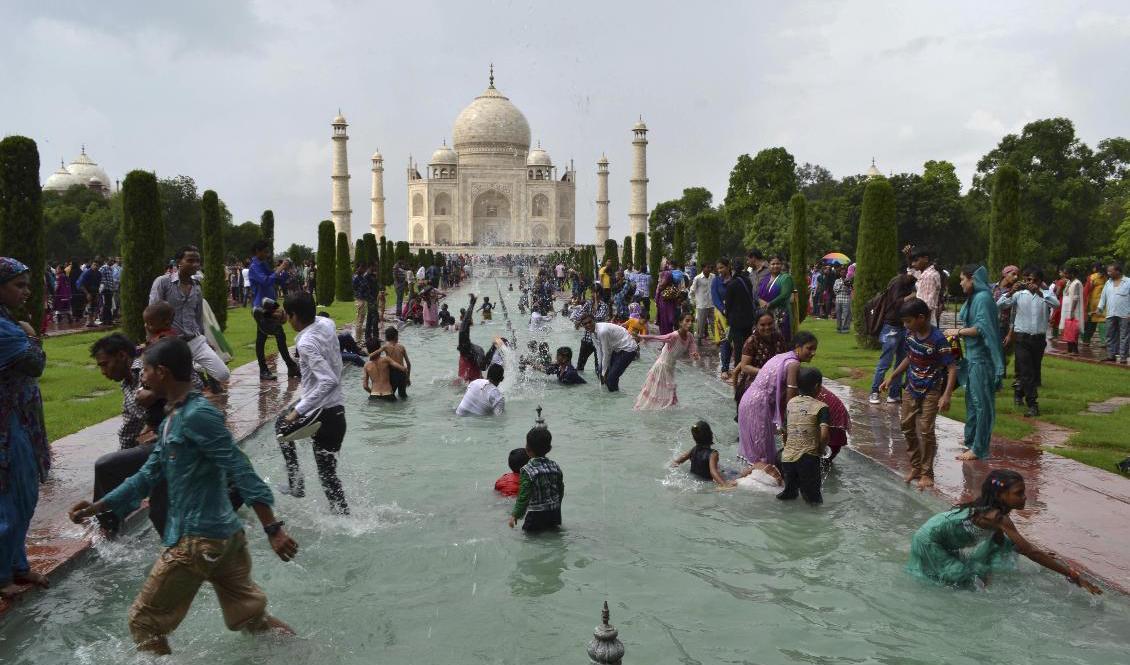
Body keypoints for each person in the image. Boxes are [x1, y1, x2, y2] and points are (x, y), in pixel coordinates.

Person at [68, 338, 299, 654]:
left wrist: (273, 528)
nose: (142, 376)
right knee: (251, 618)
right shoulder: (173, 419)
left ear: (162, 372)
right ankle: (306, 653)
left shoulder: (197, 416)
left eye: (146, 370)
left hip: (197, 543)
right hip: (225, 540)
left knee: (143, 622)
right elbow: (146, 476)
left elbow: (240, 467)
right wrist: (98, 507)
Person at [906, 470, 1101, 594]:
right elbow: (1030, 552)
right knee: (963, 580)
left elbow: (1008, 542)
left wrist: (1025, 549)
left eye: (1023, 492)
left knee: (1000, 548)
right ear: (1000, 495)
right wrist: (1071, 574)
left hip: (939, 536)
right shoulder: (996, 517)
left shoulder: (994, 512)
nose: (1024, 497)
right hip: (928, 540)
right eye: (1018, 493)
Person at [0, 259, 50, 597]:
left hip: (19, 417)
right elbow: (35, 363)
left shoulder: (7, 321)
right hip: (6, 424)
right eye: (19, 285)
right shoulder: (4, 329)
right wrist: (31, 335)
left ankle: (16, 564)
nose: (26, 291)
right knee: (10, 494)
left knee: (24, 491)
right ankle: (2, 575)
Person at [88, 333, 168, 536]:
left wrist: (157, 394)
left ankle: (108, 527)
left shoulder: (149, 368)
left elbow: (190, 384)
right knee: (112, 466)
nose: (103, 372)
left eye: (105, 364)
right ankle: (112, 520)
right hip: (158, 445)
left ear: (122, 356)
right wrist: (123, 460)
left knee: (105, 466)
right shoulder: (127, 384)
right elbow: (129, 428)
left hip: (174, 442)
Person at [278, 293, 349, 515]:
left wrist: (297, 411)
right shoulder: (327, 324)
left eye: (288, 315)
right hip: (337, 413)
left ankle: (296, 482)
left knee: (281, 427)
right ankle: (344, 517)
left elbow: (328, 381)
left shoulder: (306, 343)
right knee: (328, 476)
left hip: (322, 413)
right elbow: (317, 318)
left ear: (294, 316)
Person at [879, 298, 957, 488]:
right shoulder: (910, 334)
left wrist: (946, 395)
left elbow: (952, 368)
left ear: (921, 318)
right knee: (906, 425)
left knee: (926, 430)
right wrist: (892, 376)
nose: (906, 325)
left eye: (908, 321)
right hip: (911, 387)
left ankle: (927, 472)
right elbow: (909, 357)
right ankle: (915, 466)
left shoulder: (938, 339)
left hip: (931, 389)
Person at [945, 265, 1005, 461]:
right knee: (972, 402)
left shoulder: (983, 298)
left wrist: (958, 332)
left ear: (973, 279)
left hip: (981, 360)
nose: (961, 283)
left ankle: (979, 448)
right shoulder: (975, 297)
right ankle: (972, 441)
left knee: (981, 404)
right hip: (972, 359)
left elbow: (982, 328)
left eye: (963, 279)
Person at [149, 246, 231, 384]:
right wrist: (153, 341)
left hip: (195, 340)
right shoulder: (163, 282)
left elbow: (198, 316)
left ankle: (194, 365)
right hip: (171, 343)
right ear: (178, 262)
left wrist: (205, 339)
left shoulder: (197, 287)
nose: (195, 264)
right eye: (190, 260)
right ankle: (191, 367)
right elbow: (152, 313)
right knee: (179, 383)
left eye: (198, 261)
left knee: (223, 374)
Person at [738, 331, 819, 465]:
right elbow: (791, 397)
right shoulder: (793, 364)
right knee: (762, 455)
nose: (813, 353)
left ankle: (752, 475)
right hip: (758, 405)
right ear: (798, 347)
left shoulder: (782, 356)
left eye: (814, 349)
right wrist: (792, 421)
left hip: (748, 399)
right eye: (809, 348)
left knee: (755, 451)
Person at [995, 267, 1058, 417]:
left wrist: (1040, 293)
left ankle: (1019, 390)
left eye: (1034, 280)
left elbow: (1056, 305)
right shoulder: (1019, 294)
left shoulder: (1046, 294)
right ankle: (1033, 404)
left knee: (1033, 372)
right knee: (1026, 371)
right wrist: (1010, 292)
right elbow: (999, 305)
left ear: (1040, 281)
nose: (1030, 283)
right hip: (1022, 338)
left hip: (1038, 339)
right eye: (1028, 280)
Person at [777, 367, 828, 505]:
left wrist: (787, 447)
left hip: (787, 458)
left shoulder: (791, 403)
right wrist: (820, 450)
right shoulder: (821, 407)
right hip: (808, 458)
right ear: (817, 386)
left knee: (790, 495)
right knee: (813, 500)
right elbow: (824, 435)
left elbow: (785, 431)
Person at [867, 274, 917, 404]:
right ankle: (874, 391)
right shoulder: (898, 284)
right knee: (885, 361)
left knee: (901, 362)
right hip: (892, 326)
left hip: (903, 326)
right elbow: (896, 303)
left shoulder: (909, 284)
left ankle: (894, 393)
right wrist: (912, 296)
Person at [633, 313, 700, 410]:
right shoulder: (674, 336)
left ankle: (666, 413)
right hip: (661, 368)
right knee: (659, 394)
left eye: (691, 321)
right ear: (680, 322)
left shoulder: (690, 336)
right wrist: (640, 336)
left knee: (668, 395)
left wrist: (695, 354)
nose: (690, 323)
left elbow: (692, 348)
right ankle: (646, 411)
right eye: (687, 320)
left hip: (670, 368)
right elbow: (657, 338)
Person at [507, 418, 563, 532]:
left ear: (527, 449)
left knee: (529, 538)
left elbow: (524, 495)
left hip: (536, 516)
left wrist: (515, 515)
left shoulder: (527, 470)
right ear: (550, 448)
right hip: (555, 513)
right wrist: (557, 505)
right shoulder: (555, 466)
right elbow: (560, 489)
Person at [733, 312, 789, 413]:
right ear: (756, 325)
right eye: (762, 325)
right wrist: (766, 372)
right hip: (754, 385)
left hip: (776, 381)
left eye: (770, 324)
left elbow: (785, 359)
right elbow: (745, 367)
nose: (767, 327)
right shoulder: (751, 341)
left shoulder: (779, 337)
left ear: (774, 323)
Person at [577, 313, 639, 392]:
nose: (588, 325)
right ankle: (610, 393)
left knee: (610, 379)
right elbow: (599, 351)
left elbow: (606, 353)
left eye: (590, 322)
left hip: (628, 348)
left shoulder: (602, 331)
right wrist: (601, 369)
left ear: (594, 320)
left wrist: (603, 372)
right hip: (616, 348)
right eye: (585, 324)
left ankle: (615, 396)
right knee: (605, 375)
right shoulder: (591, 332)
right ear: (582, 325)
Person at [717, 258, 755, 382]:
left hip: (736, 321)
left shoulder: (732, 284)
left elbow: (728, 305)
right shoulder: (747, 281)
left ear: (732, 268)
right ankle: (746, 371)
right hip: (748, 319)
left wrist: (727, 315)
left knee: (738, 348)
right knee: (748, 346)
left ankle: (738, 374)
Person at [252, 298, 300, 381]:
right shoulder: (261, 312)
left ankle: (291, 367)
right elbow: (255, 310)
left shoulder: (274, 307)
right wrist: (269, 316)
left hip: (269, 311)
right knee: (261, 341)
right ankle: (263, 370)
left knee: (281, 338)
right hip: (262, 315)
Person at [671, 421, 731, 487]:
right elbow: (713, 472)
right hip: (706, 483)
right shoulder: (713, 454)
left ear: (694, 438)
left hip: (694, 482)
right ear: (710, 434)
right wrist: (725, 484)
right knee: (733, 473)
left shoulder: (693, 450)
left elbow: (676, 462)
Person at [456, 294, 500, 382]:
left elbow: (464, 328)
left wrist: (472, 304)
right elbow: (464, 328)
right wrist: (494, 346)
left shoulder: (471, 353)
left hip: (473, 381)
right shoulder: (472, 352)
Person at [1096, 262, 1130, 363]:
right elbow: (1103, 296)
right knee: (1110, 335)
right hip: (1111, 313)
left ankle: (1123, 357)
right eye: (1108, 271)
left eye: (1110, 271)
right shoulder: (1108, 283)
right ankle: (1111, 355)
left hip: (1125, 314)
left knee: (1124, 336)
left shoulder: (1128, 282)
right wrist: (1099, 308)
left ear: (1118, 271)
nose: (1108, 273)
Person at [756, 255, 795, 341]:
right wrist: (759, 300)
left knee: (781, 339)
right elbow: (758, 293)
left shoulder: (785, 278)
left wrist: (769, 304)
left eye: (778, 263)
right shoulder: (765, 279)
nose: (775, 266)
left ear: (781, 265)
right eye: (773, 264)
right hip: (765, 314)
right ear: (769, 265)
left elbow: (784, 295)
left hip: (780, 314)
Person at [903, 246, 942, 321]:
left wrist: (919, 324)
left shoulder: (928, 276)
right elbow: (911, 272)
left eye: (916, 260)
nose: (913, 264)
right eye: (912, 261)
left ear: (926, 259)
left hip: (923, 321)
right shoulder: (924, 273)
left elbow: (927, 305)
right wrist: (908, 257)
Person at [380, 326, 411, 400]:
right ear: (396, 336)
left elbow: (377, 356)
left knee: (390, 396)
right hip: (402, 374)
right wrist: (408, 378)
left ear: (387, 337)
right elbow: (408, 364)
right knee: (403, 395)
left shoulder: (385, 347)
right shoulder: (402, 347)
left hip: (392, 374)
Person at [1058, 267, 1083, 353]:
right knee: (1068, 328)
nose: (1064, 275)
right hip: (1067, 309)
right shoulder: (1069, 282)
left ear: (1072, 274)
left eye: (1066, 273)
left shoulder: (1076, 283)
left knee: (1073, 329)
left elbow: (1076, 298)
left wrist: (1072, 311)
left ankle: (1075, 350)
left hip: (1073, 310)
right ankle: (1069, 350)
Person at [1083, 262, 1107, 346]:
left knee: (1091, 322)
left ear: (1095, 268)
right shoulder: (1107, 277)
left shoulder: (1092, 277)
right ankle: (1104, 341)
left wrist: (1085, 303)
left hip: (1093, 303)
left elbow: (1086, 291)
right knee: (1102, 321)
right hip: (1104, 303)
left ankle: (1086, 340)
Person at [690, 264, 714, 342]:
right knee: (701, 324)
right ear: (703, 268)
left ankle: (717, 340)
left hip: (712, 304)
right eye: (707, 267)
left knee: (714, 323)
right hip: (702, 305)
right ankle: (699, 340)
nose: (709, 269)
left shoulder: (713, 277)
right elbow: (692, 291)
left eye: (710, 267)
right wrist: (693, 302)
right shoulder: (697, 278)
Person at [654, 261, 679, 335]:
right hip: (669, 299)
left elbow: (662, 286)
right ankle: (667, 336)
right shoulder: (671, 273)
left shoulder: (666, 273)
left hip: (665, 299)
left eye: (663, 263)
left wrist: (659, 283)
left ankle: (666, 337)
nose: (661, 264)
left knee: (665, 320)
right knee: (667, 319)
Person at [351, 264, 371, 345]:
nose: (364, 270)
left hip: (362, 299)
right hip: (360, 300)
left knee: (361, 319)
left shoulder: (361, 277)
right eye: (362, 268)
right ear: (359, 268)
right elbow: (355, 288)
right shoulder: (356, 277)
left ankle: (359, 338)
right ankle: (358, 340)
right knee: (359, 319)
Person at [833, 265, 852, 333]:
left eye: (844, 272)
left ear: (846, 273)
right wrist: (842, 284)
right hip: (838, 300)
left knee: (846, 315)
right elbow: (835, 290)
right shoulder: (837, 281)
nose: (843, 273)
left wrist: (847, 286)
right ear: (840, 273)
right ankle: (839, 328)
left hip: (846, 300)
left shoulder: (849, 280)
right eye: (842, 272)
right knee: (838, 315)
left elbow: (849, 291)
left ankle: (845, 328)